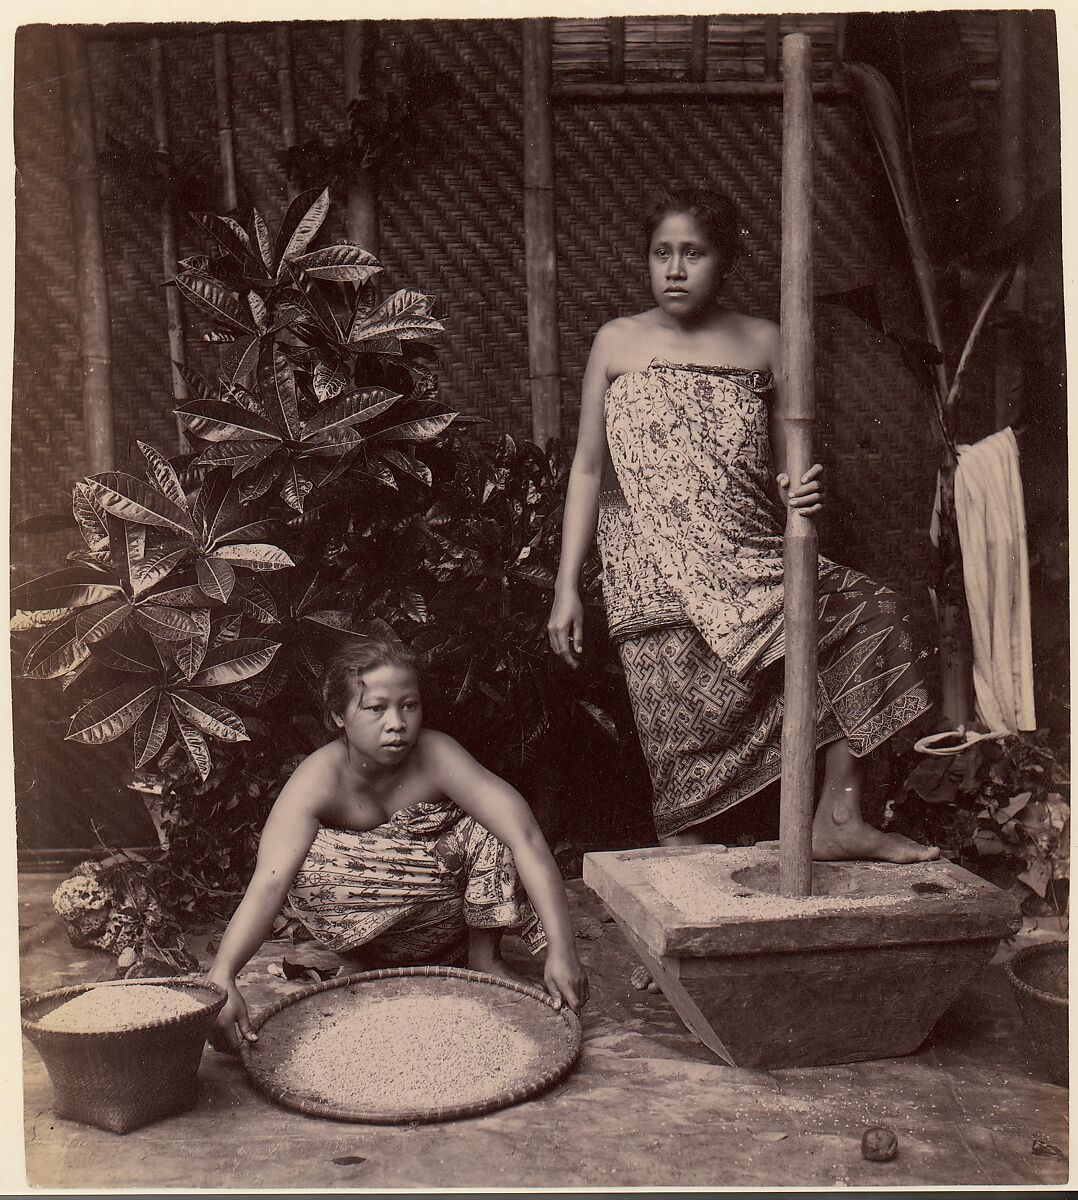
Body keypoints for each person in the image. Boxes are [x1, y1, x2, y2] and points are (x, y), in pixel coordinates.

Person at [547, 188, 939, 865]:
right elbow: (586, 467)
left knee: (872, 617)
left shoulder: (765, 341)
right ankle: (682, 926)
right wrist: (566, 588)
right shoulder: (616, 341)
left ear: (724, 262)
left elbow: (792, 464)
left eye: (693, 254)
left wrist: (801, 487)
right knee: (684, 761)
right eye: (661, 254)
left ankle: (839, 818)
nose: (674, 269)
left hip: (750, 553)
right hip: (655, 574)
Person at [207, 637, 588, 1052]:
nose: (397, 723)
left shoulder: (436, 754)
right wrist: (222, 975)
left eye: (409, 705)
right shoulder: (318, 780)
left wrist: (562, 949)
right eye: (376, 709)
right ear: (338, 716)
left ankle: (484, 957)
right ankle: (368, 959)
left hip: (448, 922)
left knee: (494, 828)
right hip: (366, 923)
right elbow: (269, 883)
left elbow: (526, 836)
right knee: (305, 864)